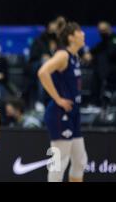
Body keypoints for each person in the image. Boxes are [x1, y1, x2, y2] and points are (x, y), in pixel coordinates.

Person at [38, 21, 88, 182]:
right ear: (72, 37)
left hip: (73, 113)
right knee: (59, 163)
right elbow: (43, 72)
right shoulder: (63, 55)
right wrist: (58, 99)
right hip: (60, 114)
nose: (84, 34)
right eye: (80, 32)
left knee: (80, 161)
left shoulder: (74, 56)